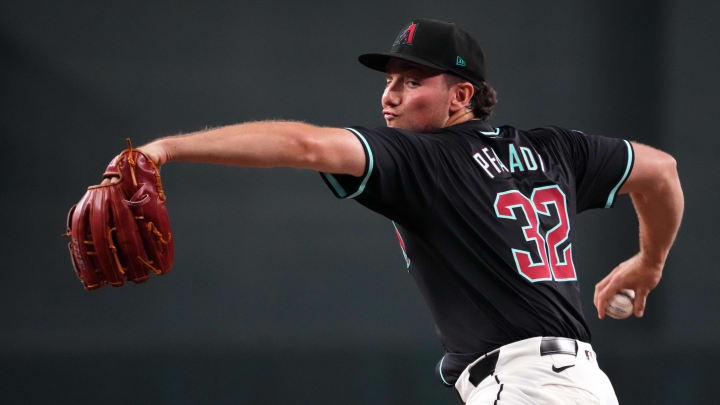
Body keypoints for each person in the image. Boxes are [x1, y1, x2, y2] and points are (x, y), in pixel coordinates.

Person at [126, 18, 683, 405]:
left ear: (461, 96)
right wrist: (650, 261)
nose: (389, 96)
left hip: (527, 388)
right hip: (572, 382)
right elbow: (660, 171)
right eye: (389, 81)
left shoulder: (426, 159)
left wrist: (164, 149)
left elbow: (304, 145)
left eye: (412, 81)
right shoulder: (556, 149)